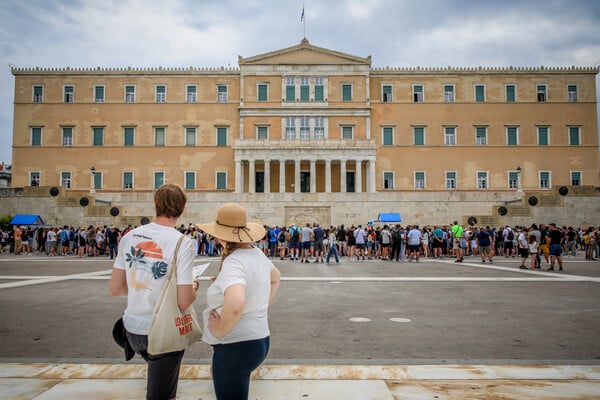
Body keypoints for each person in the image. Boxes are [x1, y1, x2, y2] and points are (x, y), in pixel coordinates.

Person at [109, 183, 199, 400]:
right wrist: (195, 285)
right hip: (160, 332)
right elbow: (184, 300)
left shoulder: (130, 236)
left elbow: (116, 288)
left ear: (155, 204)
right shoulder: (182, 243)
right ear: (182, 208)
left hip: (130, 331)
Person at [197, 203, 281, 400]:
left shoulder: (234, 262)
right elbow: (276, 277)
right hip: (259, 339)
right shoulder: (256, 253)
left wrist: (220, 331)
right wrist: (259, 308)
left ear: (221, 235)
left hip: (235, 344)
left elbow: (236, 302)